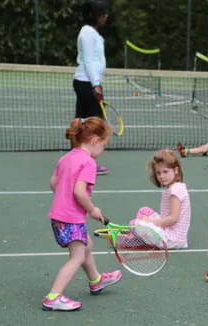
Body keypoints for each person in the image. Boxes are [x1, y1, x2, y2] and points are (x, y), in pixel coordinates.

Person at [43, 117, 121, 311]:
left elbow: (53, 183)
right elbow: (79, 191)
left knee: (87, 244)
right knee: (77, 256)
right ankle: (53, 297)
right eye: (103, 145)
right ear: (95, 141)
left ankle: (96, 280)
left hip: (58, 216)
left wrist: (63, 201)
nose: (103, 150)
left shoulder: (66, 157)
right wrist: (92, 209)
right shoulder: (88, 163)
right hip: (71, 218)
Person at [73, 0, 110, 175]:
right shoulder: (87, 33)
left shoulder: (92, 33)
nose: (106, 16)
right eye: (103, 13)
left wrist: (96, 83)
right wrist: (96, 85)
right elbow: (88, 60)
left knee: (80, 123)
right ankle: (88, 163)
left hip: (87, 82)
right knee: (93, 126)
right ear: (96, 15)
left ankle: (77, 161)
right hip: (86, 83)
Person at [129, 149, 191, 249]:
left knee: (134, 224)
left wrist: (150, 221)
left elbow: (173, 219)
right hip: (169, 231)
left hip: (173, 240)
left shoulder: (175, 190)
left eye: (165, 172)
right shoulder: (174, 187)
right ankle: (141, 237)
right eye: (158, 173)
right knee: (143, 211)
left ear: (176, 170)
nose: (162, 176)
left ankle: (137, 239)